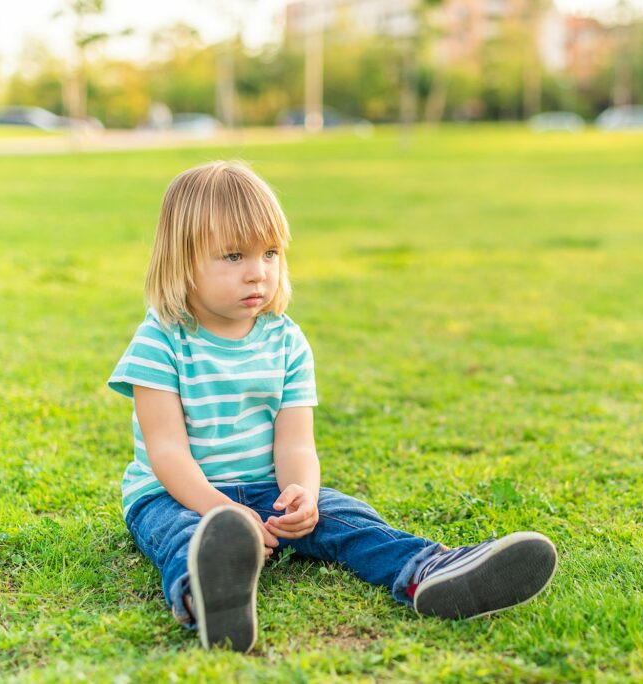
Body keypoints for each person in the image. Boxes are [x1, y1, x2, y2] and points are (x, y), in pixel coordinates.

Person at [108, 160, 558, 653]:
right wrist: (222, 511)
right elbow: (166, 451)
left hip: (266, 491)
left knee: (346, 517)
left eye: (271, 253)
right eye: (233, 256)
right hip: (173, 493)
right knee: (182, 535)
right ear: (182, 260)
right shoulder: (161, 339)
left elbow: (296, 442)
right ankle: (207, 594)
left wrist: (302, 492)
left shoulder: (286, 342)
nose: (257, 273)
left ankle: (428, 570)